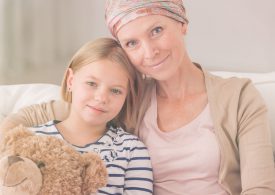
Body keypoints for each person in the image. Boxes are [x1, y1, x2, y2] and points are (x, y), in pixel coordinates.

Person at [1, 0, 275, 194]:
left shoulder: (238, 96)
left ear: (182, 24)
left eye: (156, 31)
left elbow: (260, 187)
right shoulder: (127, 96)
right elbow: (48, 111)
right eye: (132, 43)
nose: (149, 51)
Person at [2, 38, 153, 195]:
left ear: (126, 96)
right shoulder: (33, 140)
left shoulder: (131, 150)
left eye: (115, 91)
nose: (101, 98)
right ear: (71, 80)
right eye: (91, 84)